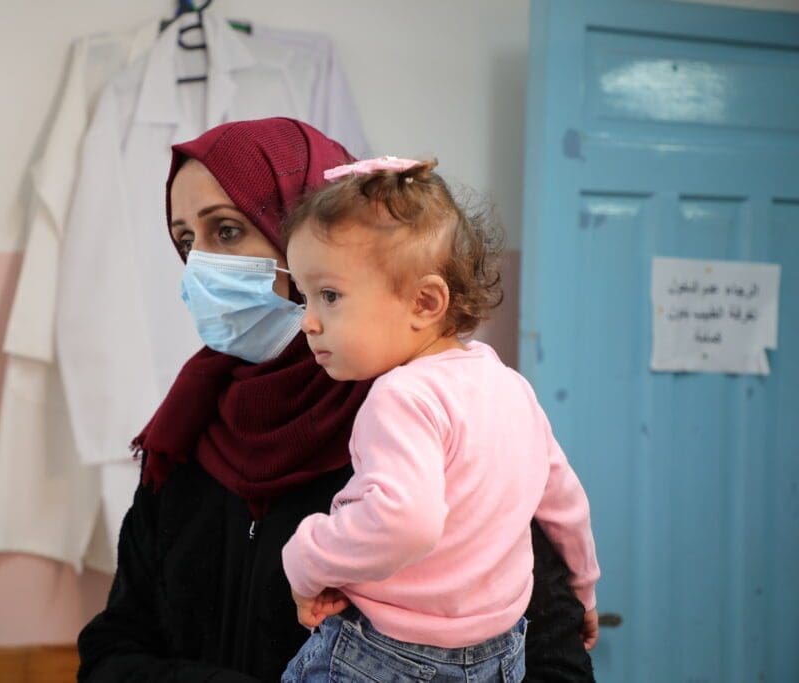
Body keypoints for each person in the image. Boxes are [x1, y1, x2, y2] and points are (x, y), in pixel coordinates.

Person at [76, 118, 598, 682]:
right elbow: (111, 652)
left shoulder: (427, 424)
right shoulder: (185, 434)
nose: (199, 265)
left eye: (226, 231)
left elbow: (554, 664)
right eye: (184, 241)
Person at [278, 156, 601, 681]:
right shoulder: (509, 384)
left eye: (329, 296)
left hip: (387, 656)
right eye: (305, 296)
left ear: (425, 301)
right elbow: (565, 502)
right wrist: (584, 588)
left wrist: (308, 555)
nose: (309, 321)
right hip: (500, 654)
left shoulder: (401, 395)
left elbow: (405, 523)